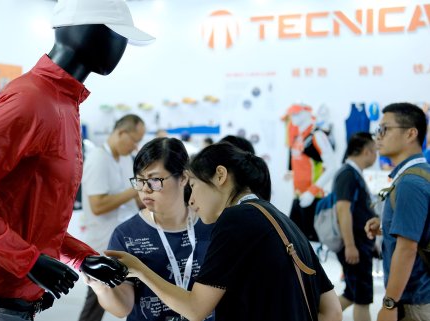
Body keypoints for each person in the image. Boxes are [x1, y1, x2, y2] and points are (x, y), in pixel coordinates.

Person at [0, 0, 155, 320]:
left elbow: (35, 217)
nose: (122, 46)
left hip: (16, 306)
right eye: (117, 34)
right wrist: (27, 259)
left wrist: (81, 258)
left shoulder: (65, 106)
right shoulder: (31, 99)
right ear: (84, 31)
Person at [106, 143, 342, 321]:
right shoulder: (278, 218)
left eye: (194, 186)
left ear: (220, 176)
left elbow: (195, 309)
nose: (191, 200)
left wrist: (139, 269)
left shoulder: (235, 219)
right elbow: (332, 311)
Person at [86, 137, 214, 321]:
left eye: (154, 180)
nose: (145, 189)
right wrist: (100, 288)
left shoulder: (209, 226)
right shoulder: (127, 234)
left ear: (183, 178)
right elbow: (123, 308)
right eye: (139, 181)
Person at [364, 103, 430, 321]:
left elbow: (407, 248)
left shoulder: (410, 182)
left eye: (385, 129)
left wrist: (389, 303)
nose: (378, 137)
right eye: (377, 130)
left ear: (411, 133)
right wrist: (386, 225)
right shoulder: (420, 174)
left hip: (414, 301)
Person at [78, 114, 145, 321]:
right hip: (103, 243)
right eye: (134, 140)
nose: (135, 147)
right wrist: (136, 189)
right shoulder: (98, 159)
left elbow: (131, 199)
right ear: (121, 133)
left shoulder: (125, 160)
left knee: (129, 295)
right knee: (96, 300)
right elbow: (98, 206)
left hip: (126, 240)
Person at [334, 132, 377, 321]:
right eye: (374, 151)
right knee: (362, 298)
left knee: (353, 294)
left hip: (360, 244)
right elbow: (343, 210)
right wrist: (350, 245)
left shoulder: (352, 173)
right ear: (367, 151)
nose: (376, 155)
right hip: (355, 245)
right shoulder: (348, 174)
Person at [283, 104, 337, 241]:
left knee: (311, 243)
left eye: (297, 114)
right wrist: (292, 173)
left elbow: (332, 167)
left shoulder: (317, 136)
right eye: (292, 114)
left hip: (313, 198)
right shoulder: (297, 137)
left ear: (307, 114)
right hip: (298, 196)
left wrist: (312, 191)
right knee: (292, 240)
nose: (293, 118)